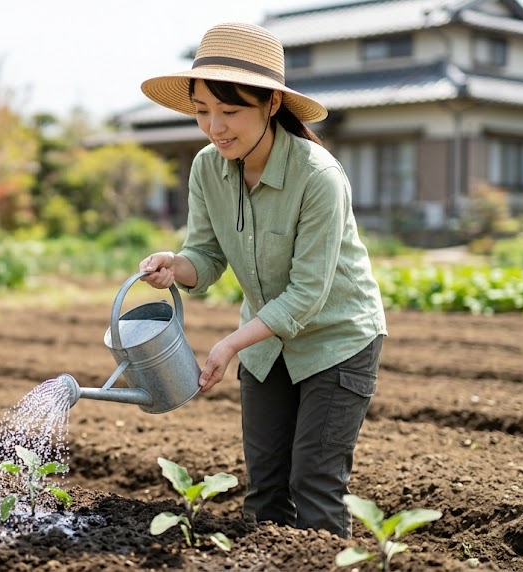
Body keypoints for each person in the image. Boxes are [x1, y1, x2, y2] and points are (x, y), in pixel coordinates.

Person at [136, 22, 387, 539]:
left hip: (336, 340)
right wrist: (174, 267)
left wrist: (228, 345)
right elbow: (204, 256)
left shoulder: (317, 176)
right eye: (203, 110)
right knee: (265, 489)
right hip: (265, 345)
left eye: (231, 111)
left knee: (314, 484)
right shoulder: (208, 168)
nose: (214, 127)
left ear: (272, 104)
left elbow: (305, 297)